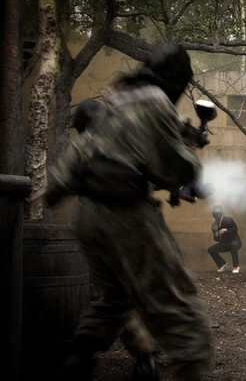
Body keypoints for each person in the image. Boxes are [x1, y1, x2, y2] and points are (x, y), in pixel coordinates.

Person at [46, 44, 212, 381]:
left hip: (89, 216)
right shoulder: (154, 101)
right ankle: (191, 363)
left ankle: (77, 358)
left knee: (114, 300)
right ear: (177, 79)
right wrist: (193, 162)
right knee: (185, 314)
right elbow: (176, 166)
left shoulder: (118, 102)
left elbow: (73, 165)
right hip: (124, 213)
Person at [69, 98, 159, 380]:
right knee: (121, 297)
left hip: (103, 229)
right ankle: (143, 358)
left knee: (116, 297)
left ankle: (140, 357)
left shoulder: (87, 150)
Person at [207, 206, 243, 273]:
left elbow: (235, 229)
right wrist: (217, 235)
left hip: (235, 242)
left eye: (217, 214)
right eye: (214, 214)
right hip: (225, 244)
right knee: (211, 250)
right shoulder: (214, 225)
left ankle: (236, 266)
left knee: (233, 245)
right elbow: (216, 239)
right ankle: (222, 264)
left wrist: (226, 230)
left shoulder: (228, 220)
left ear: (221, 214)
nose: (216, 216)